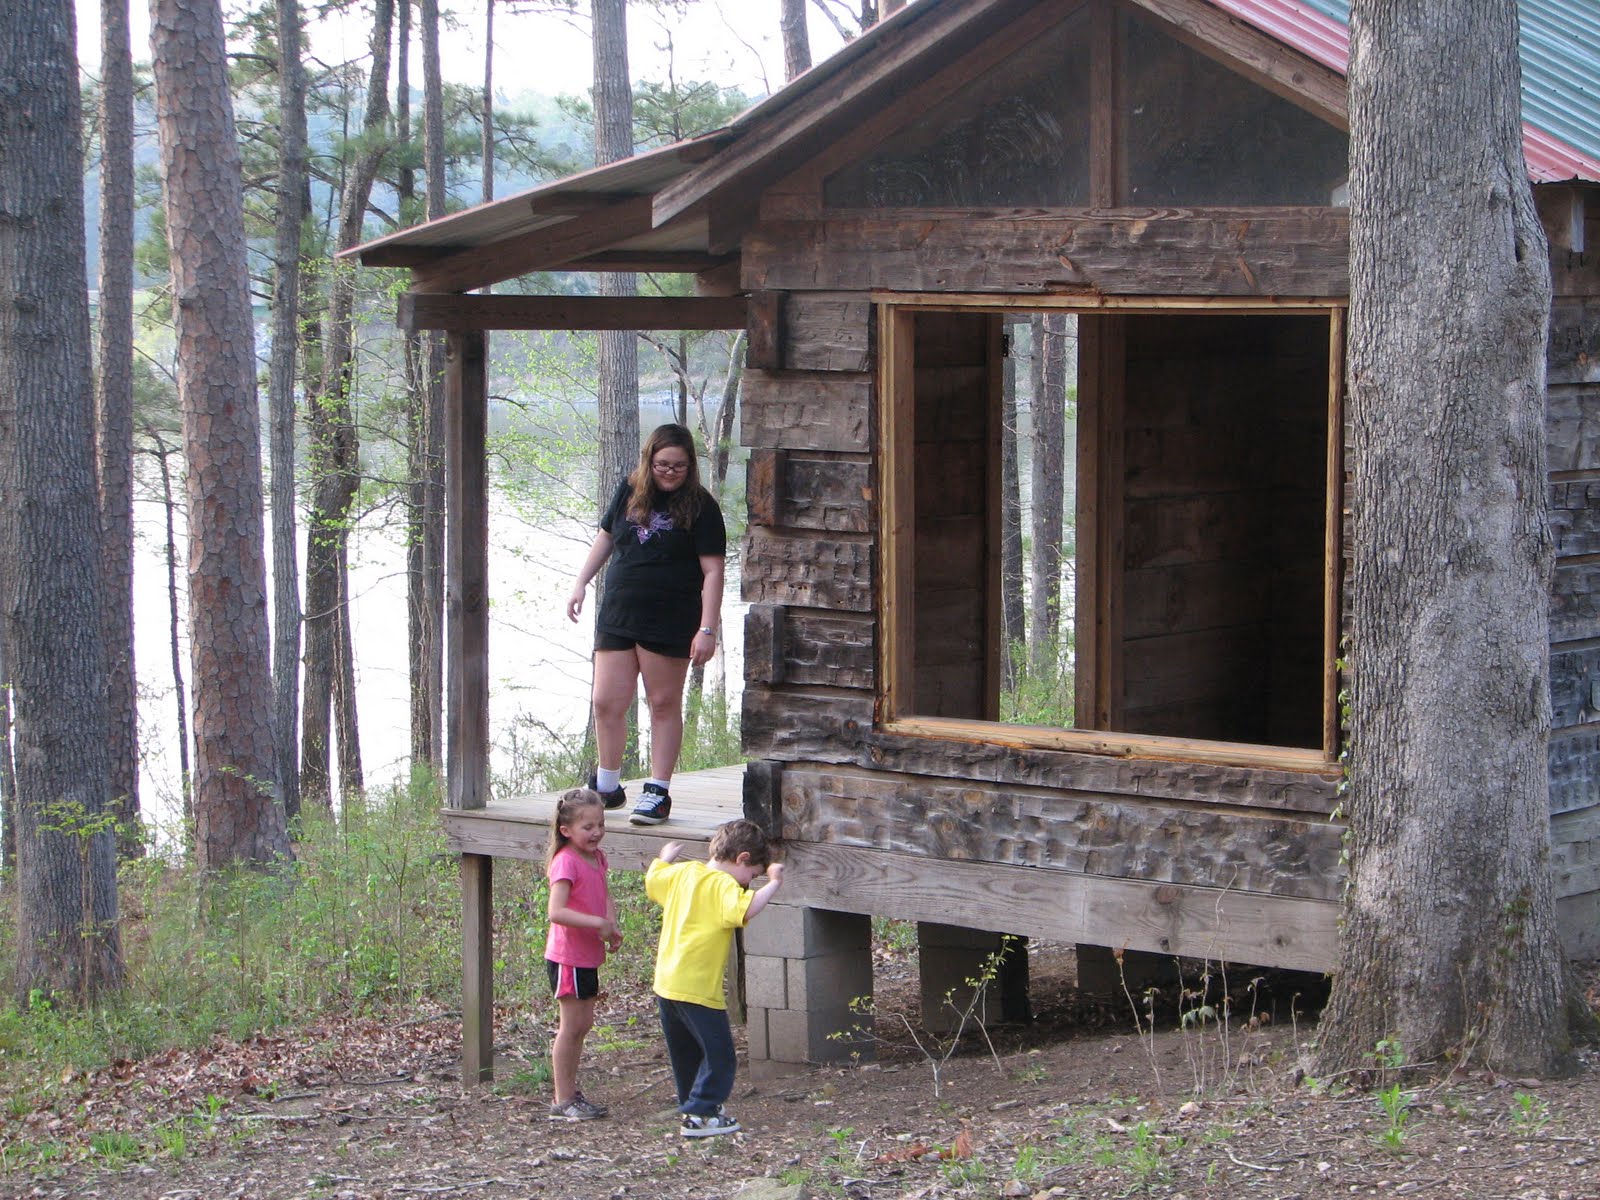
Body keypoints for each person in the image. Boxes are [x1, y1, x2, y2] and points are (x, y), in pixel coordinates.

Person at [567, 424, 727, 827]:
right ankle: (607, 786)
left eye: (679, 466)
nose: (669, 472)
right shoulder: (629, 491)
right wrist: (581, 582)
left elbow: (713, 571)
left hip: (670, 618)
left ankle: (657, 790)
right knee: (606, 700)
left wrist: (707, 628)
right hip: (619, 612)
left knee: (662, 703)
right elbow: (606, 538)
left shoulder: (702, 507)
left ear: (690, 466)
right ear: (649, 461)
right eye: (662, 465)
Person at [645, 819, 785, 1138]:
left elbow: (654, 881)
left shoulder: (683, 873)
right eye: (752, 876)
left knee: (686, 1052)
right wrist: (773, 883)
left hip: (666, 983)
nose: (748, 884)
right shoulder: (723, 885)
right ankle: (702, 1114)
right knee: (720, 1054)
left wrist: (664, 858)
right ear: (742, 858)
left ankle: (692, 1105)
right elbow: (746, 910)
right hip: (696, 987)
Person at [544, 787, 623, 1121]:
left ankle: (570, 1093)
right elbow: (556, 911)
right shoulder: (565, 861)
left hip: (588, 955)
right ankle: (563, 1100)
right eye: (587, 827)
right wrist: (596, 923)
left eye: (600, 824)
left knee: (584, 1024)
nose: (596, 832)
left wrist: (611, 925)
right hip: (568, 957)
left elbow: (604, 894)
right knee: (572, 1027)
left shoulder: (597, 857)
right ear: (566, 830)